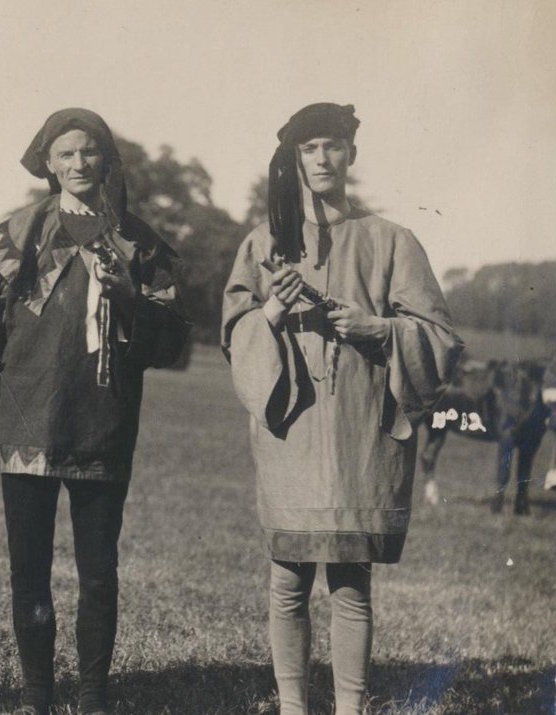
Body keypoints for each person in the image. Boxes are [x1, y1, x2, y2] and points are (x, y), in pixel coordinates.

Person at [221, 103, 461, 715]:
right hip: (291, 427)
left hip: (361, 430)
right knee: (288, 580)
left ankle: (350, 709)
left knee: (352, 581)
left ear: (351, 154)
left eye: (332, 146)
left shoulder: (391, 241)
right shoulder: (264, 243)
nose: (322, 160)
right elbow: (235, 333)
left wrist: (376, 328)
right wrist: (273, 309)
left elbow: (439, 337)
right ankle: (296, 708)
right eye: (309, 149)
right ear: (295, 160)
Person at [0, 108, 190, 715]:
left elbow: (173, 347)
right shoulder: (18, 233)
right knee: (28, 570)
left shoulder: (140, 244)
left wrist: (131, 301)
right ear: (47, 162)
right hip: (24, 420)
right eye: (65, 154)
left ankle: (92, 695)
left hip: (102, 423)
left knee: (98, 572)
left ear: (106, 159)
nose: (78, 164)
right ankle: (37, 694)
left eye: (88, 152)